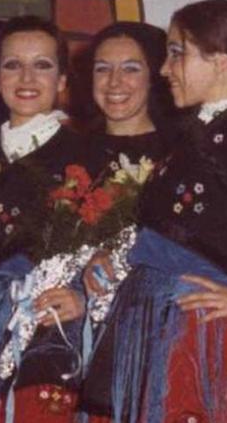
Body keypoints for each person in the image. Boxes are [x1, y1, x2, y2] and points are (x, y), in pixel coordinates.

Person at [87, 0, 227, 422]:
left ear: (221, 60)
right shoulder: (188, 138)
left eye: (177, 53)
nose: (164, 69)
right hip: (148, 331)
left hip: (207, 345)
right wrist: (121, 258)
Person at [0, 16, 97, 423]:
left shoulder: (93, 157)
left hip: (55, 330)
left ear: (63, 80)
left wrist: (85, 296)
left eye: (42, 65)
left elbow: (116, 253)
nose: (26, 77)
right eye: (12, 65)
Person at [74, 21, 175, 419]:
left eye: (131, 68)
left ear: (156, 75)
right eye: (103, 68)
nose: (115, 81)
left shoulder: (182, 153)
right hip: (72, 330)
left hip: (152, 333)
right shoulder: (67, 150)